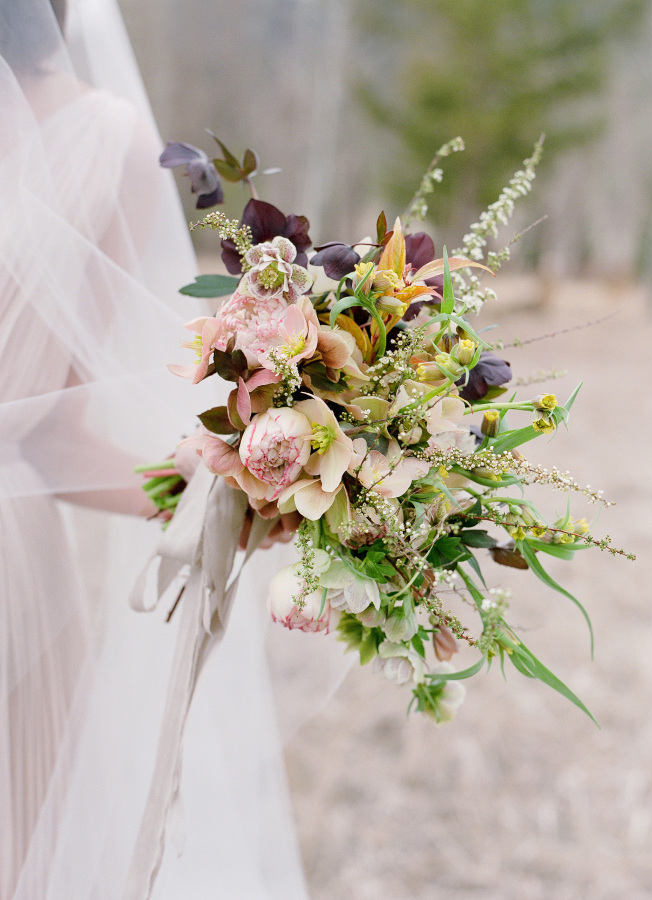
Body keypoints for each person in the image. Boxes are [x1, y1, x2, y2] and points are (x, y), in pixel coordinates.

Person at [0, 1, 308, 897]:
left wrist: (214, 488)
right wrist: (224, 484)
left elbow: (39, 428)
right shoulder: (97, 135)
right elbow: (48, 431)